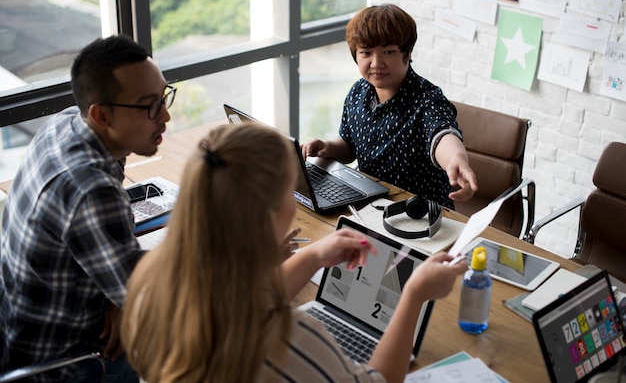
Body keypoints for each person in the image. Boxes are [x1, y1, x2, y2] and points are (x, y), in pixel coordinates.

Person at [121, 122, 467, 383]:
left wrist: (312, 256)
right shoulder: (288, 340)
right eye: (291, 190)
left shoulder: (150, 284)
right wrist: (413, 295)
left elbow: (240, 304)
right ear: (266, 215)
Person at [0, 35, 174, 382]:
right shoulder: (91, 189)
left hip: (17, 325)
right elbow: (154, 303)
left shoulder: (67, 123)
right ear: (101, 115)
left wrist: (115, 296)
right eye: (149, 105)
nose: (165, 115)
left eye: (164, 97)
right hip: (65, 360)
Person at [301, 4, 478, 209]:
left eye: (388, 51)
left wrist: (456, 159)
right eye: (366, 53)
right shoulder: (358, 92)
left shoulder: (428, 100)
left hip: (418, 214)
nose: (376, 63)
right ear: (355, 56)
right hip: (368, 205)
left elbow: (442, 135)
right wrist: (328, 147)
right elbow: (349, 145)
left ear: (408, 52)